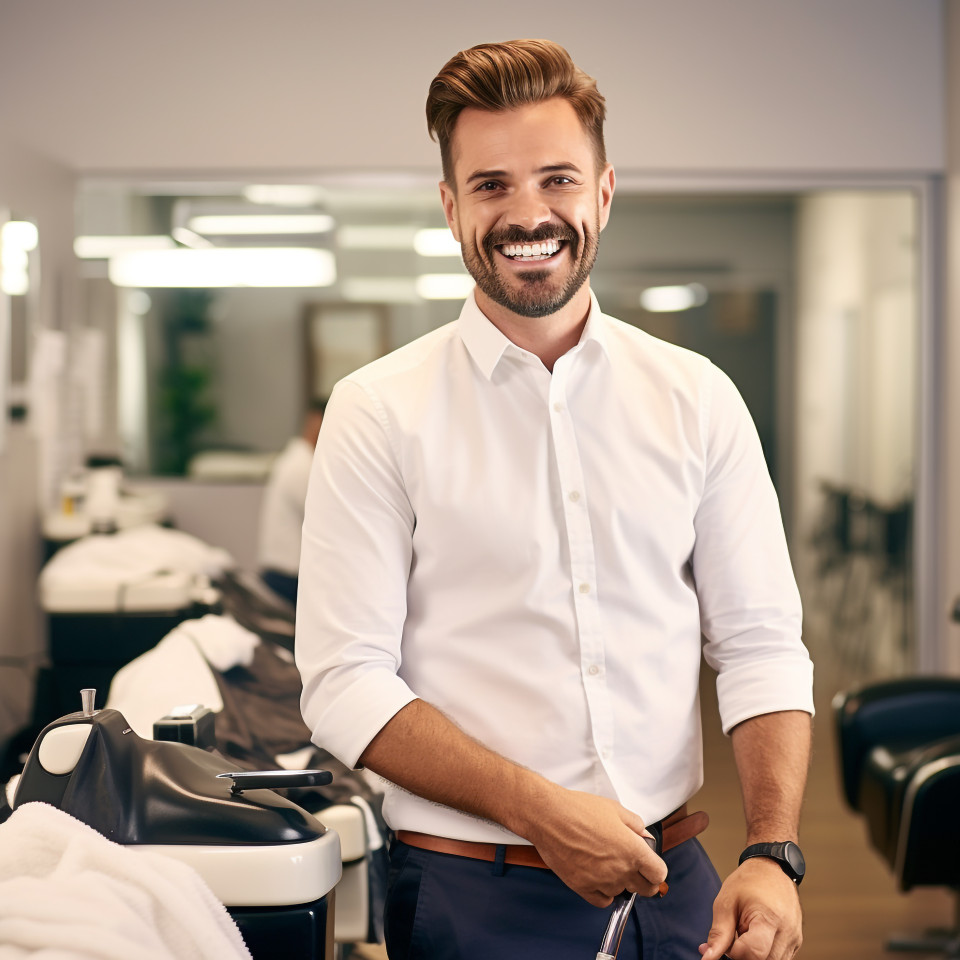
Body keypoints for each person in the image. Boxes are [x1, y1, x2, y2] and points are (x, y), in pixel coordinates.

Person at [297, 39, 814, 960]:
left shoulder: (697, 396)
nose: (528, 214)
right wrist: (539, 811)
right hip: (476, 898)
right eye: (491, 185)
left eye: (558, 180)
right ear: (452, 208)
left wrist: (773, 851)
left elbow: (761, 644)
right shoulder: (378, 410)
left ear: (603, 193)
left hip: (677, 885)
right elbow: (345, 682)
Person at [257, 399, 325, 605]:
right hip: (288, 576)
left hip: (281, 572)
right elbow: (328, 519)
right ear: (315, 422)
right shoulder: (302, 467)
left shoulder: (296, 460)